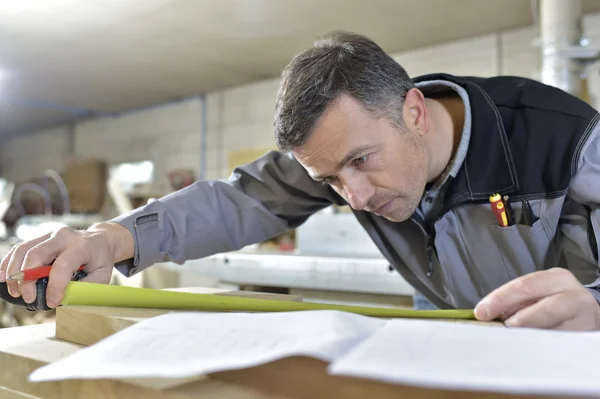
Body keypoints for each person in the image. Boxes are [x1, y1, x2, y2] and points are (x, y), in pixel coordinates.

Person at [1, 31, 599, 330]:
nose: (355, 199)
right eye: (329, 179)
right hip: (446, 344)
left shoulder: (569, 144)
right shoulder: (339, 153)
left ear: (413, 112)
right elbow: (238, 200)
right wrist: (111, 239)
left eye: (363, 161)